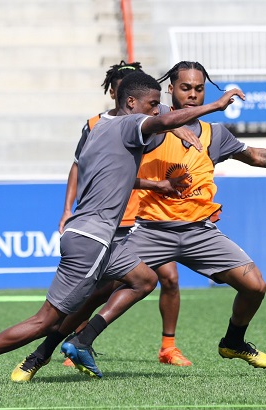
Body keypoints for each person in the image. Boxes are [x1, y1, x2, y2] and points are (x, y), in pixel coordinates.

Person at [6, 61, 266, 381]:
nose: (193, 94)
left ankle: (232, 342)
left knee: (255, 286)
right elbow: (113, 157)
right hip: (150, 229)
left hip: (199, 231)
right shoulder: (149, 127)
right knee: (93, 293)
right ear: (171, 89)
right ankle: (41, 355)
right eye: (185, 88)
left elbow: (253, 155)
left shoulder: (214, 133)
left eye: (198, 89)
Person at [0, 71, 245, 384]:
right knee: (45, 320)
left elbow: (119, 168)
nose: (156, 110)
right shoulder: (129, 124)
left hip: (100, 238)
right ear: (130, 102)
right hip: (91, 239)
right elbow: (163, 122)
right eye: (152, 104)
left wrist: (157, 183)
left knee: (143, 279)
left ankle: (82, 342)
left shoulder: (100, 127)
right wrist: (216, 105)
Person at [53, 60, 192, 370]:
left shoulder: (146, 119)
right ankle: (73, 345)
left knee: (167, 277)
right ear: (116, 93)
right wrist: (67, 209)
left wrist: (179, 129)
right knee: (94, 289)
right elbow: (80, 167)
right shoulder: (95, 125)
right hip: (106, 219)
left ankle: (168, 347)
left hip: (141, 215)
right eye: (115, 86)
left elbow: (166, 119)